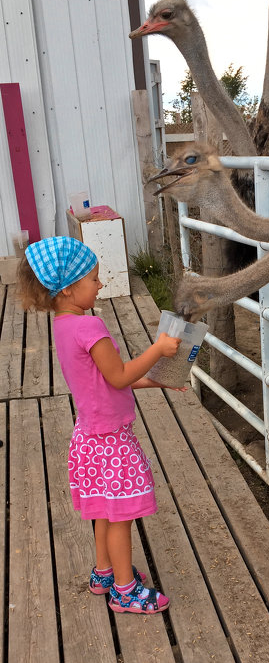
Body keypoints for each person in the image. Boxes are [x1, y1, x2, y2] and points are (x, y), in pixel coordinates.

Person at [18, 236, 182, 614]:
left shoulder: (63, 326)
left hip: (89, 436)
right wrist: (158, 351)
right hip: (111, 442)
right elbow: (121, 375)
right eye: (94, 279)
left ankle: (104, 573)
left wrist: (158, 380)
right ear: (70, 287)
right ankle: (125, 591)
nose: (100, 284)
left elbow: (108, 379)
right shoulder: (90, 328)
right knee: (122, 514)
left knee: (104, 510)